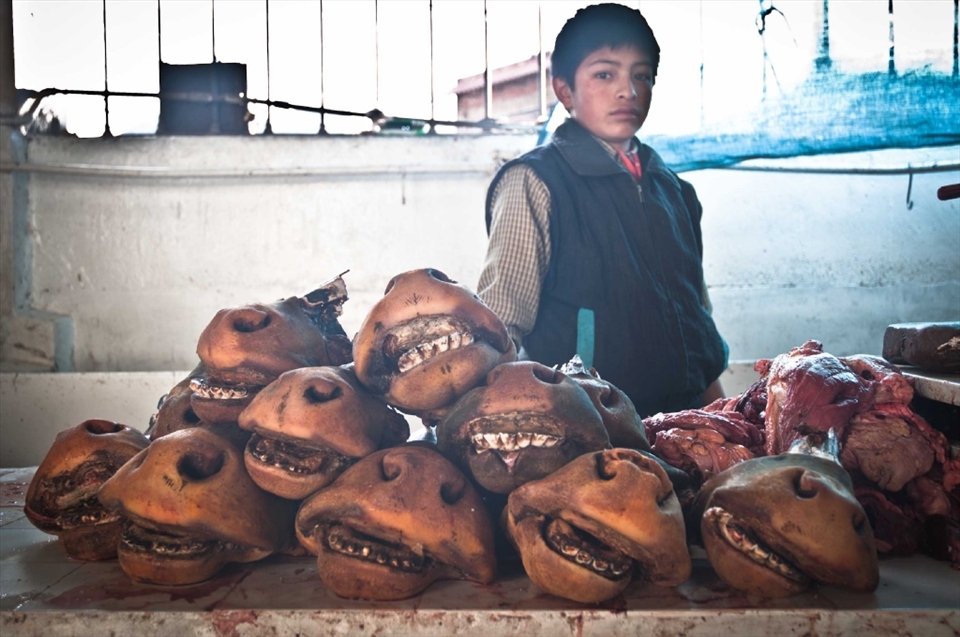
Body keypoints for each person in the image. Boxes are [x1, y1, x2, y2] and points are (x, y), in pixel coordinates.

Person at [477, 2, 727, 418]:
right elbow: (501, 329)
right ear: (564, 90)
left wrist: (723, 419)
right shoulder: (534, 182)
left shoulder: (676, 191)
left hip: (685, 423)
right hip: (585, 427)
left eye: (641, 75)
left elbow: (696, 321)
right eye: (604, 74)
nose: (627, 90)